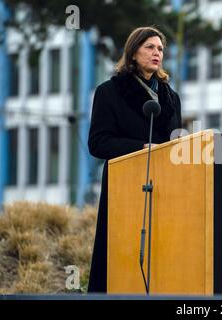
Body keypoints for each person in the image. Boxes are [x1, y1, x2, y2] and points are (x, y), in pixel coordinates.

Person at [87, 26, 182, 293]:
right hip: (124, 188)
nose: (157, 53)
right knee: (120, 257)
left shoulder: (171, 97)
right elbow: (98, 143)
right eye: (150, 47)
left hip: (164, 190)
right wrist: (141, 147)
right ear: (133, 52)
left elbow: (175, 143)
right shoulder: (109, 92)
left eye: (161, 49)